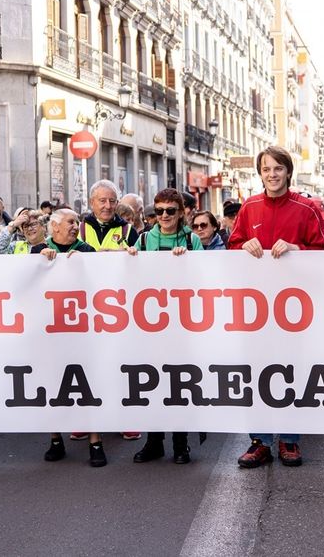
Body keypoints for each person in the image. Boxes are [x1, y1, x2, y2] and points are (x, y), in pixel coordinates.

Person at [229, 146, 324, 468]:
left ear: (288, 171)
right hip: (256, 307)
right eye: (266, 169)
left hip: (294, 308)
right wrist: (242, 245)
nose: (272, 175)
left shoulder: (306, 208)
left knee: (290, 370)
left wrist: (297, 249)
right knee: (257, 370)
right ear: (260, 174)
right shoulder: (249, 207)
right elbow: (232, 246)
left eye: (277, 168)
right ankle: (260, 441)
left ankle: (289, 438)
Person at [128, 189, 201, 465]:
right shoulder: (143, 239)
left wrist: (188, 261)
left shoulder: (192, 240)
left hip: (182, 324)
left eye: (170, 210)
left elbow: (205, 279)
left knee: (180, 384)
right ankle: (154, 441)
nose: (164, 216)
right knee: (152, 382)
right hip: (150, 324)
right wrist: (130, 258)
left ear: (181, 212)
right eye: (159, 211)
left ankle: (181, 443)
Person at [35, 208, 106, 465]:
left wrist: (86, 263)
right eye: (70, 222)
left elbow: (101, 283)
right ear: (54, 227)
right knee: (52, 384)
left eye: (77, 222)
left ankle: (95, 442)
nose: (76, 226)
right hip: (50, 331)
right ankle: (56, 440)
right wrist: (40, 262)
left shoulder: (86, 250)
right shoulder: (38, 251)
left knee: (88, 384)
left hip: (82, 329)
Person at [79, 180, 139, 251]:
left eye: (112, 201)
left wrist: (126, 254)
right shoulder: (79, 230)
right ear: (91, 203)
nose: (108, 206)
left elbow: (140, 256)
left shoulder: (128, 231)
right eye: (102, 201)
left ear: (117, 203)